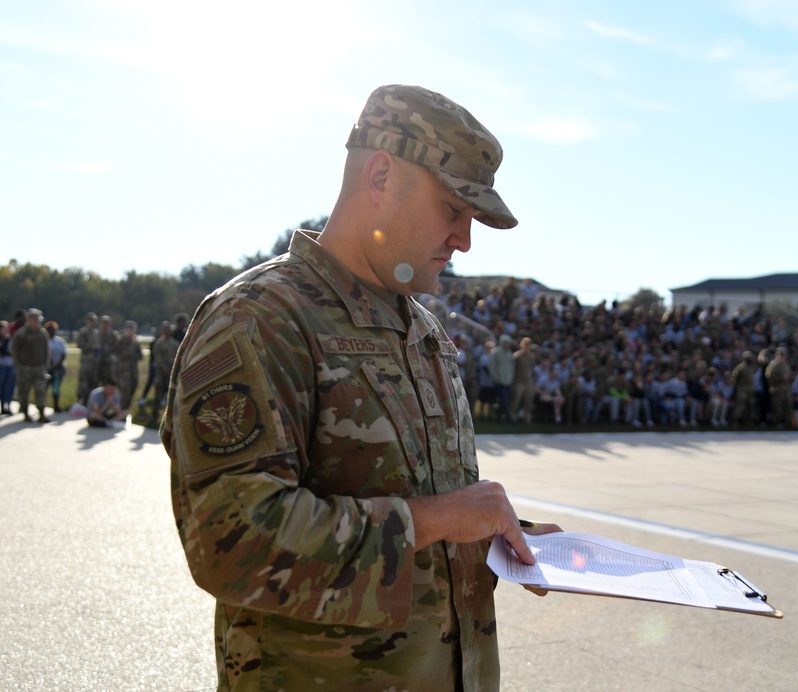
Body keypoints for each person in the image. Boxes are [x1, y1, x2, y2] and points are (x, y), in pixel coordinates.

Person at [162, 84, 558, 690]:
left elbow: (424, 500)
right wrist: (439, 519)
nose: (465, 239)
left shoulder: (419, 327)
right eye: (454, 208)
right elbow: (228, 541)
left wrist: (501, 536)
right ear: (380, 175)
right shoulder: (260, 318)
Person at [11, 308, 51, 423]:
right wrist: (18, 366)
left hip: (39, 368)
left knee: (41, 391)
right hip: (25, 368)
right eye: (34, 319)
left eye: (38, 320)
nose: (36, 322)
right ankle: (25, 413)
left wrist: (45, 366)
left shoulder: (43, 333)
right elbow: (14, 351)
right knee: (24, 392)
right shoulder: (21, 334)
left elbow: (46, 351)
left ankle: (42, 414)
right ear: (29, 320)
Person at [149, 321, 178, 422]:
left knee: (172, 395)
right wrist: (165, 369)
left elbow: (177, 358)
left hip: (171, 373)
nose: (167, 331)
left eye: (168, 330)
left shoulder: (175, 344)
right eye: (165, 330)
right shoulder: (158, 343)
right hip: (161, 373)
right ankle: (154, 416)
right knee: (158, 393)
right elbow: (157, 358)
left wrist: (172, 370)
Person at [113, 320, 144, 411]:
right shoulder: (121, 340)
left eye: (133, 329)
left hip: (133, 369)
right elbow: (118, 353)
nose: (132, 331)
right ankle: (122, 409)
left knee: (132, 389)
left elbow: (140, 355)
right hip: (123, 370)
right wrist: (129, 354)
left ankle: (126, 409)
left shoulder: (136, 341)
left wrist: (133, 355)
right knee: (124, 390)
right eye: (130, 329)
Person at [44, 321, 68, 413]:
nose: (52, 331)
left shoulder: (60, 341)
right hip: (47, 368)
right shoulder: (44, 340)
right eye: (49, 330)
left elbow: (64, 353)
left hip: (59, 368)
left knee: (56, 387)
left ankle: (56, 405)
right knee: (44, 387)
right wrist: (50, 362)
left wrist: (58, 363)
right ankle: (42, 405)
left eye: (53, 330)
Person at [76, 312, 100, 403]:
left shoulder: (96, 332)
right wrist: (93, 347)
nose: (92, 323)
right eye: (90, 321)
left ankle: (91, 400)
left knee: (93, 381)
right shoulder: (83, 331)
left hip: (95, 361)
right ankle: (81, 399)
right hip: (86, 360)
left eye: (93, 321)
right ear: (87, 321)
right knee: (83, 381)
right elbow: (80, 344)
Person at [0, 321, 15, 415]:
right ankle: (2, 407)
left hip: (10, 365)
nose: (5, 330)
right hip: (1, 365)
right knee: (1, 386)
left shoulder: (11, 339)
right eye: (3, 328)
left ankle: (7, 406)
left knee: (9, 387)